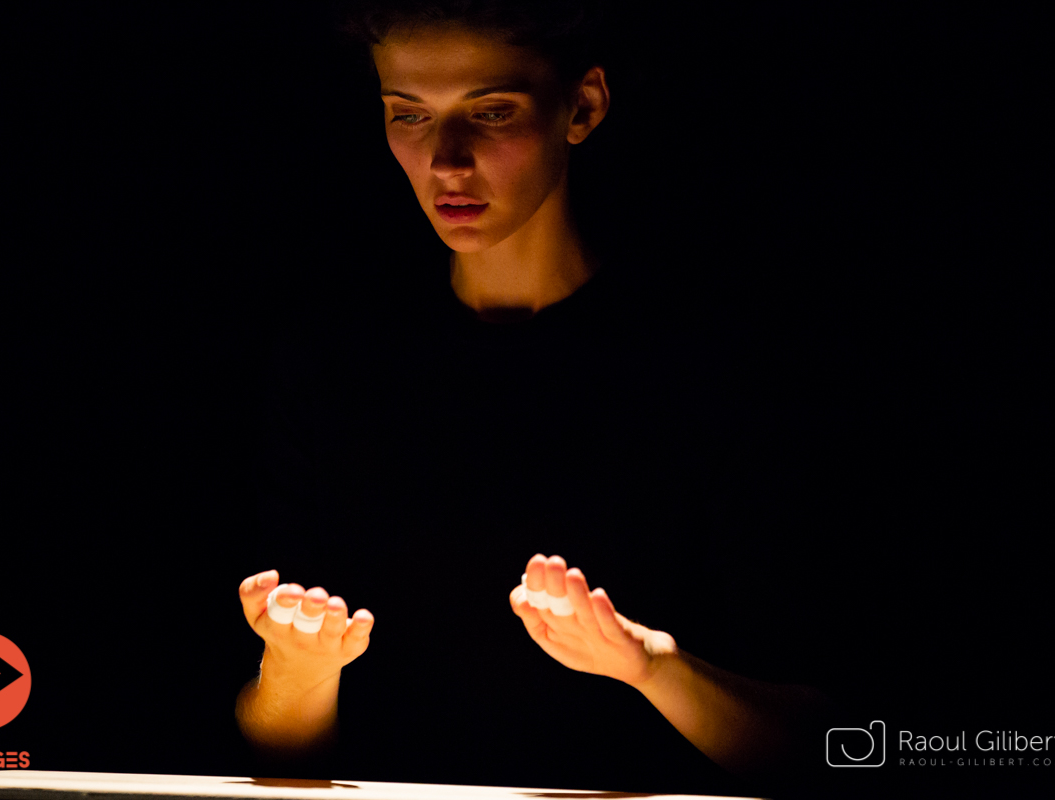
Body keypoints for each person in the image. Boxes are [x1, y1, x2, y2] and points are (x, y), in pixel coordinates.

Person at [235, 1, 842, 794]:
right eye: (408, 115)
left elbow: (831, 747)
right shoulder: (332, 365)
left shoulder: (710, 370)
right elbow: (274, 756)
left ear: (582, 107)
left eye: (491, 112)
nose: (447, 161)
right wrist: (299, 667)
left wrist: (652, 669)